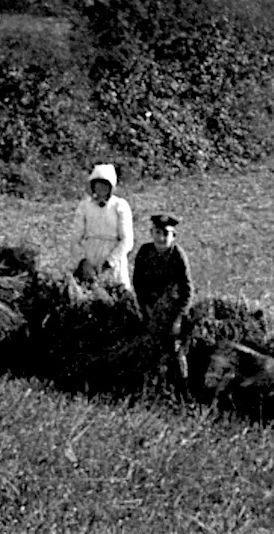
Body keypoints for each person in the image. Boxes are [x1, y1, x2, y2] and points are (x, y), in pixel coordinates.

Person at [133, 213, 194, 395]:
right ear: (151, 233)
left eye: (166, 234)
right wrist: (146, 309)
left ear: (173, 237)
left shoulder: (178, 255)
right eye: (157, 233)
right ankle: (146, 388)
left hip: (172, 311)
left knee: (175, 351)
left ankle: (183, 390)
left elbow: (187, 290)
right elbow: (138, 284)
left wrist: (178, 318)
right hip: (150, 308)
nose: (161, 238)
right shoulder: (145, 252)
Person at [72, 163, 133, 291]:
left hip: (113, 258)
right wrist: (83, 261)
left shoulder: (120, 206)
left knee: (115, 295)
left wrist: (110, 262)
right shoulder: (84, 206)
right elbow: (75, 238)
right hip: (90, 257)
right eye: (98, 184)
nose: (101, 188)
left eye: (105, 184)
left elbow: (127, 240)